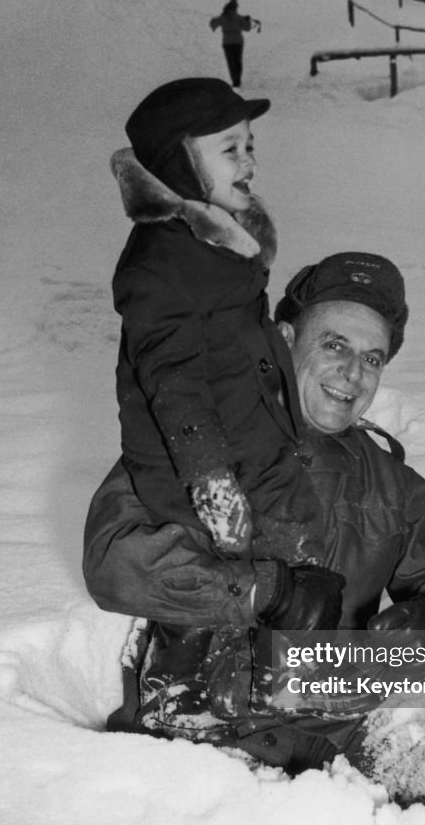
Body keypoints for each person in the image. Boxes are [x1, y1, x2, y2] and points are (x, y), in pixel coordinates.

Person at [84, 253, 425, 810]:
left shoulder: (391, 485)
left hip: (328, 725)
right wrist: (267, 591)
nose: (353, 373)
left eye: (372, 358)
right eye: (334, 345)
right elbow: (114, 562)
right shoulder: (196, 442)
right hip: (196, 725)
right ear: (284, 341)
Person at [110, 77, 328, 573]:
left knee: (306, 561)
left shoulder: (221, 242)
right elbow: (174, 384)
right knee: (273, 582)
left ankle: (305, 613)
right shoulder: (160, 267)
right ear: (179, 164)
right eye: (231, 150)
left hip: (257, 447)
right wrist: (212, 483)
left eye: (250, 146)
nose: (249, 163)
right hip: (199, 475)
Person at [209, 0, 258, 89]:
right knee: (238, 61)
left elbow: (213, 25)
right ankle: (237, 79)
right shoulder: (239, 18)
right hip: (238, 41)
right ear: (235, 8)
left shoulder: (222, 18)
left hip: (227, 42)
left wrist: (214, 20)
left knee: (231, 62)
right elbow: (247, 28)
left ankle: (234, 80)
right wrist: (247, 20)